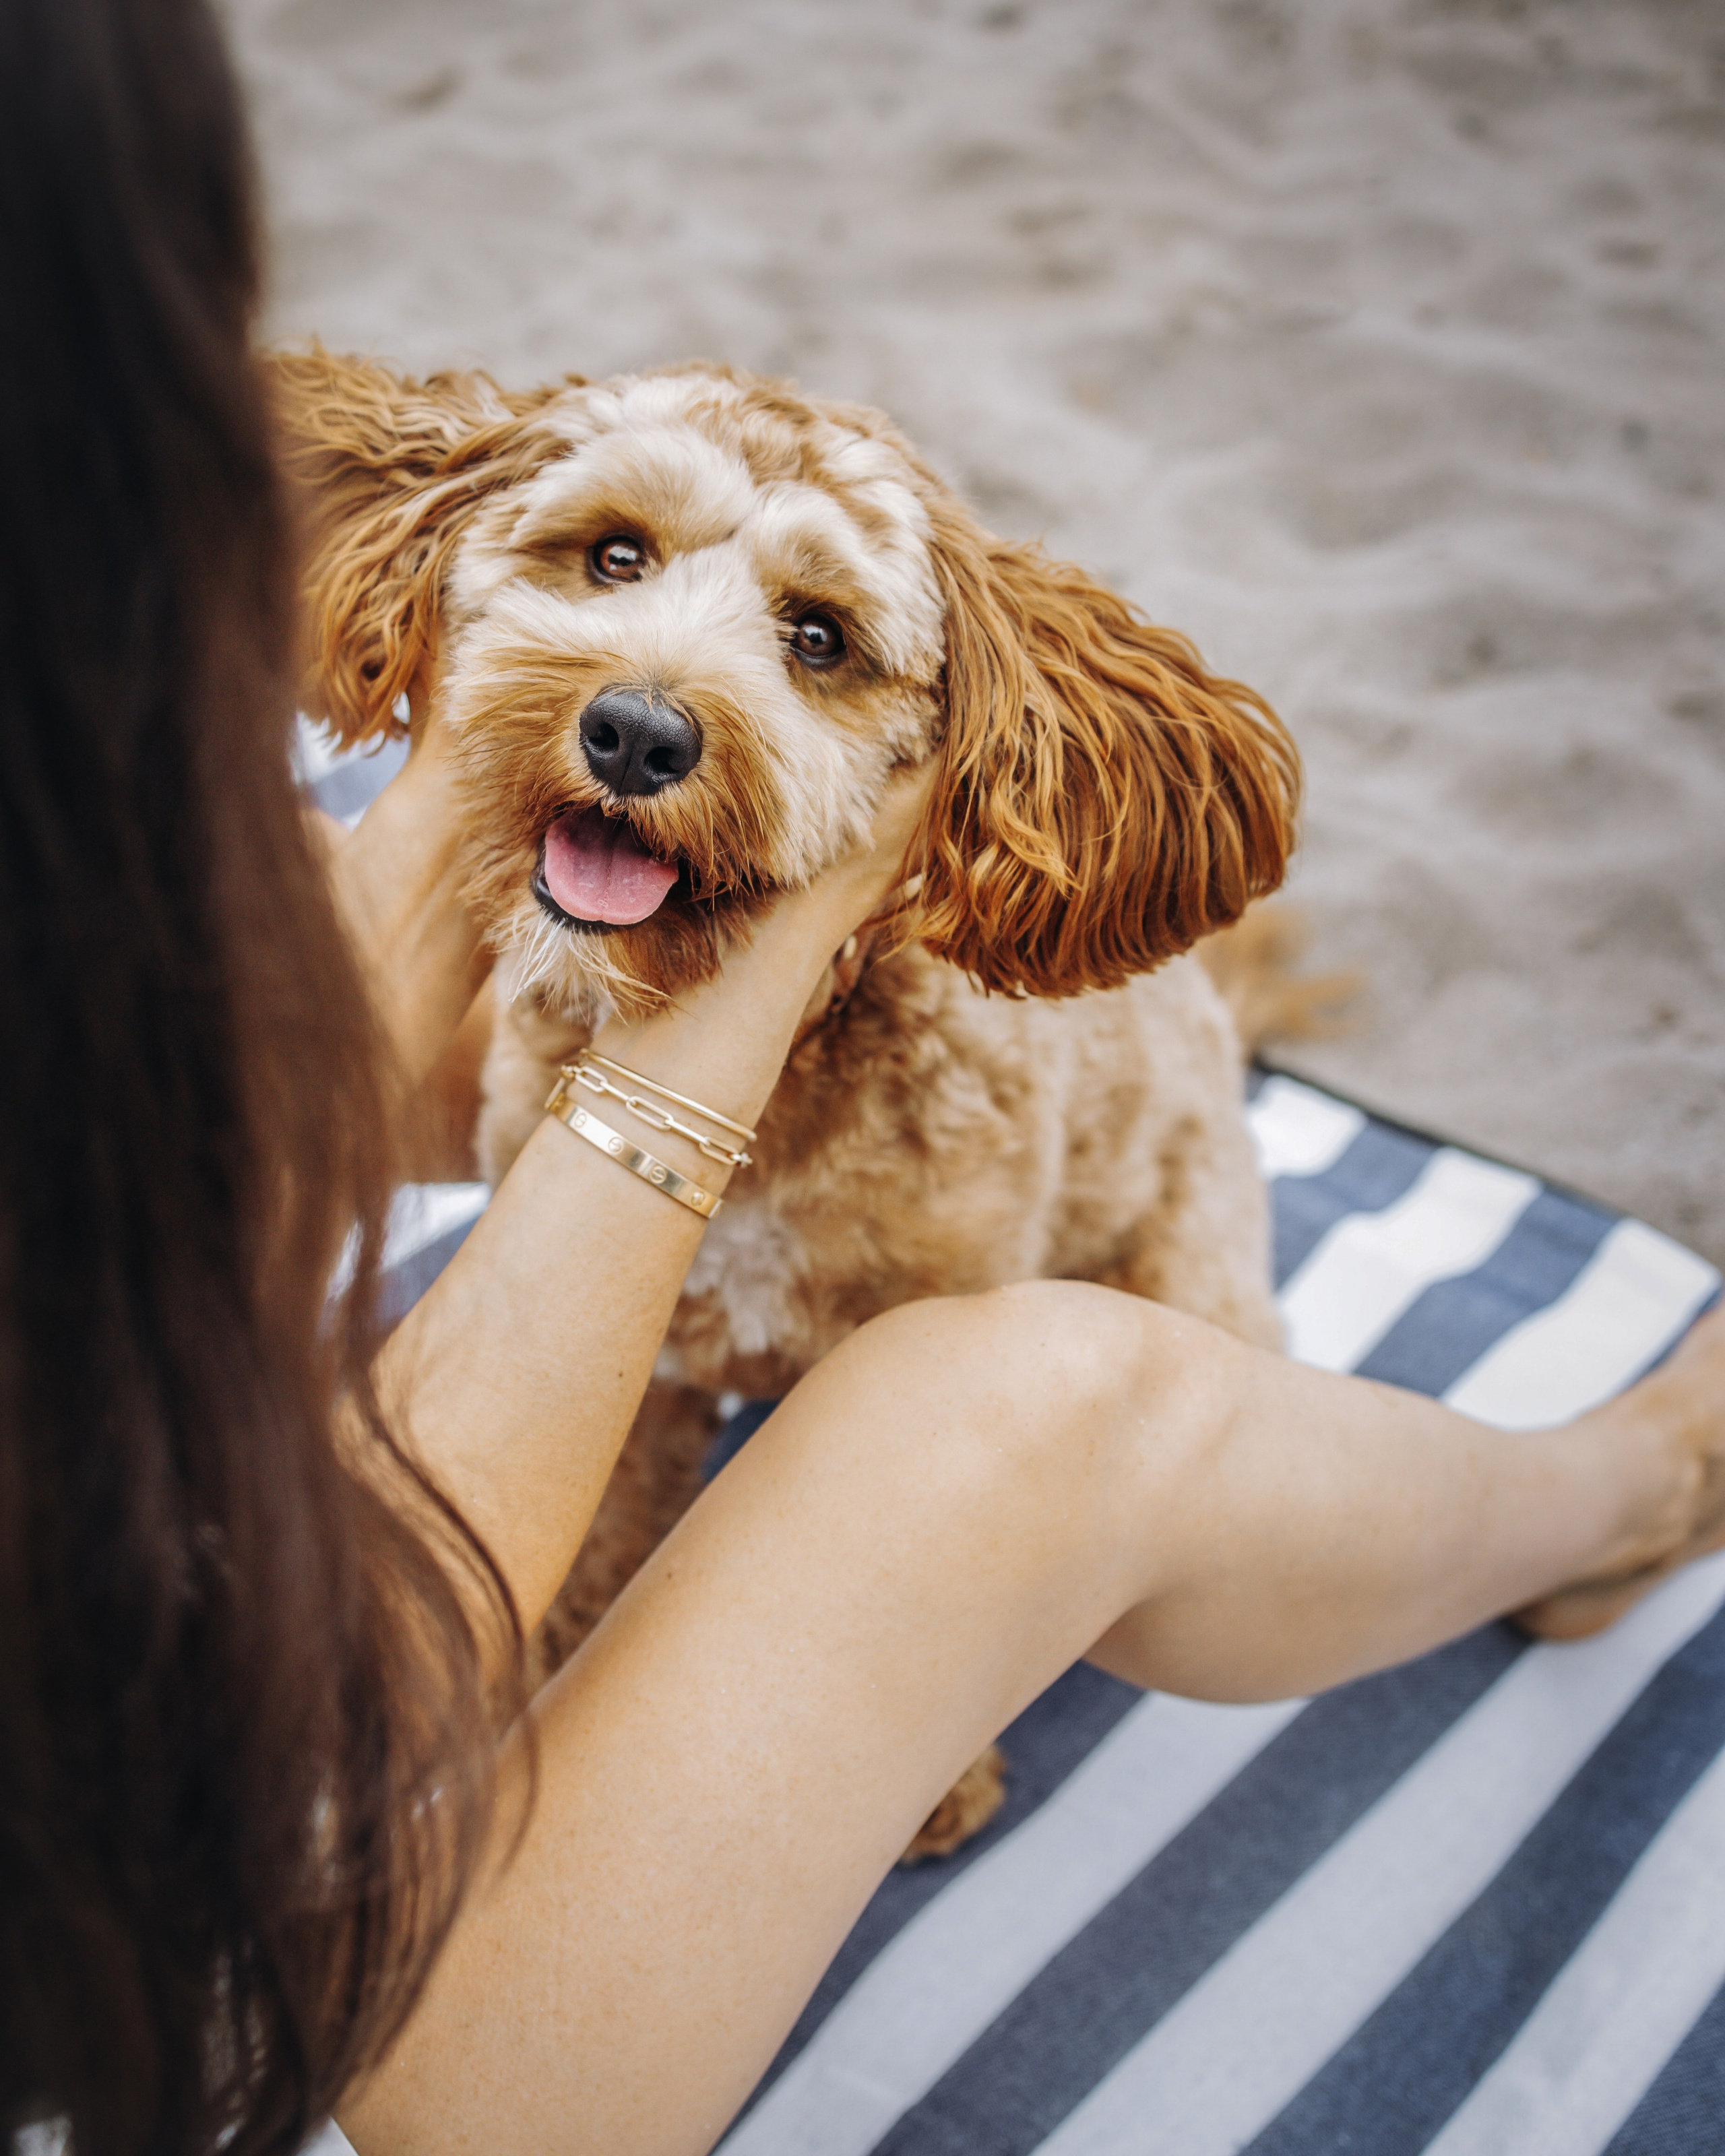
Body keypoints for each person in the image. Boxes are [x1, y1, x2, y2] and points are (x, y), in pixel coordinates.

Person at [3, 1, 1722, 2153]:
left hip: (1000, 1206)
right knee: (1011, 1407)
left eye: (812, 637)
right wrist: (744, 932)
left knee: (1054, 1323)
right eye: (615, 558)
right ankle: (1632, 1477)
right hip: (193, 2027)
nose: (664, 681)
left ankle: (1614, 1500)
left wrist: (515, 744)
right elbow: (423, 1605)